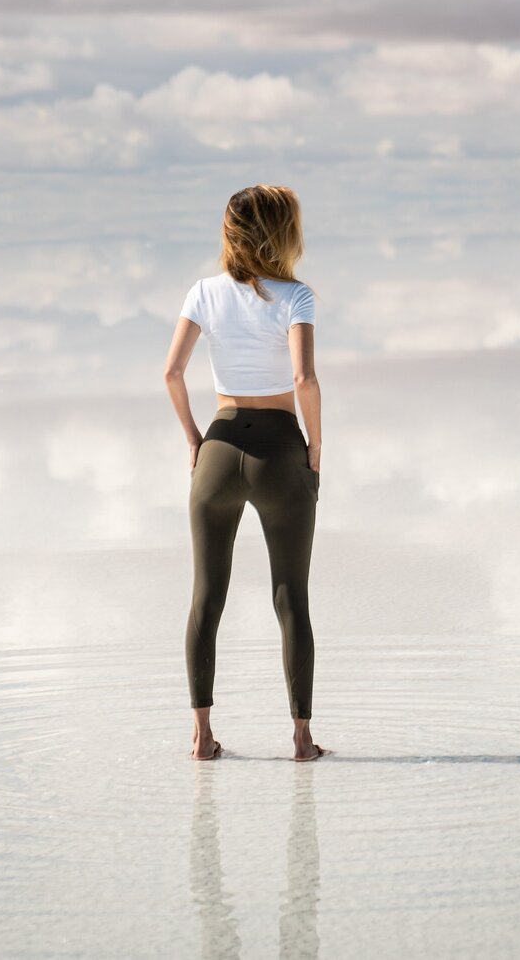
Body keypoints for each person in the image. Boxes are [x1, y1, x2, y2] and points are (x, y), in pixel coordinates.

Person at [164, 184, 331, 764]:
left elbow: (172, 373)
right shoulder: (297, 297)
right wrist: (314, 451)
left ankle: (202, 737)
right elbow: (304, 381)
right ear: (287, 233)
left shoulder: (203, 293)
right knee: (291, 599)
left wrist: (193, 440)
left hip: (219, 444)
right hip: (280, 451)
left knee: (206, 598)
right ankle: (302, 740)